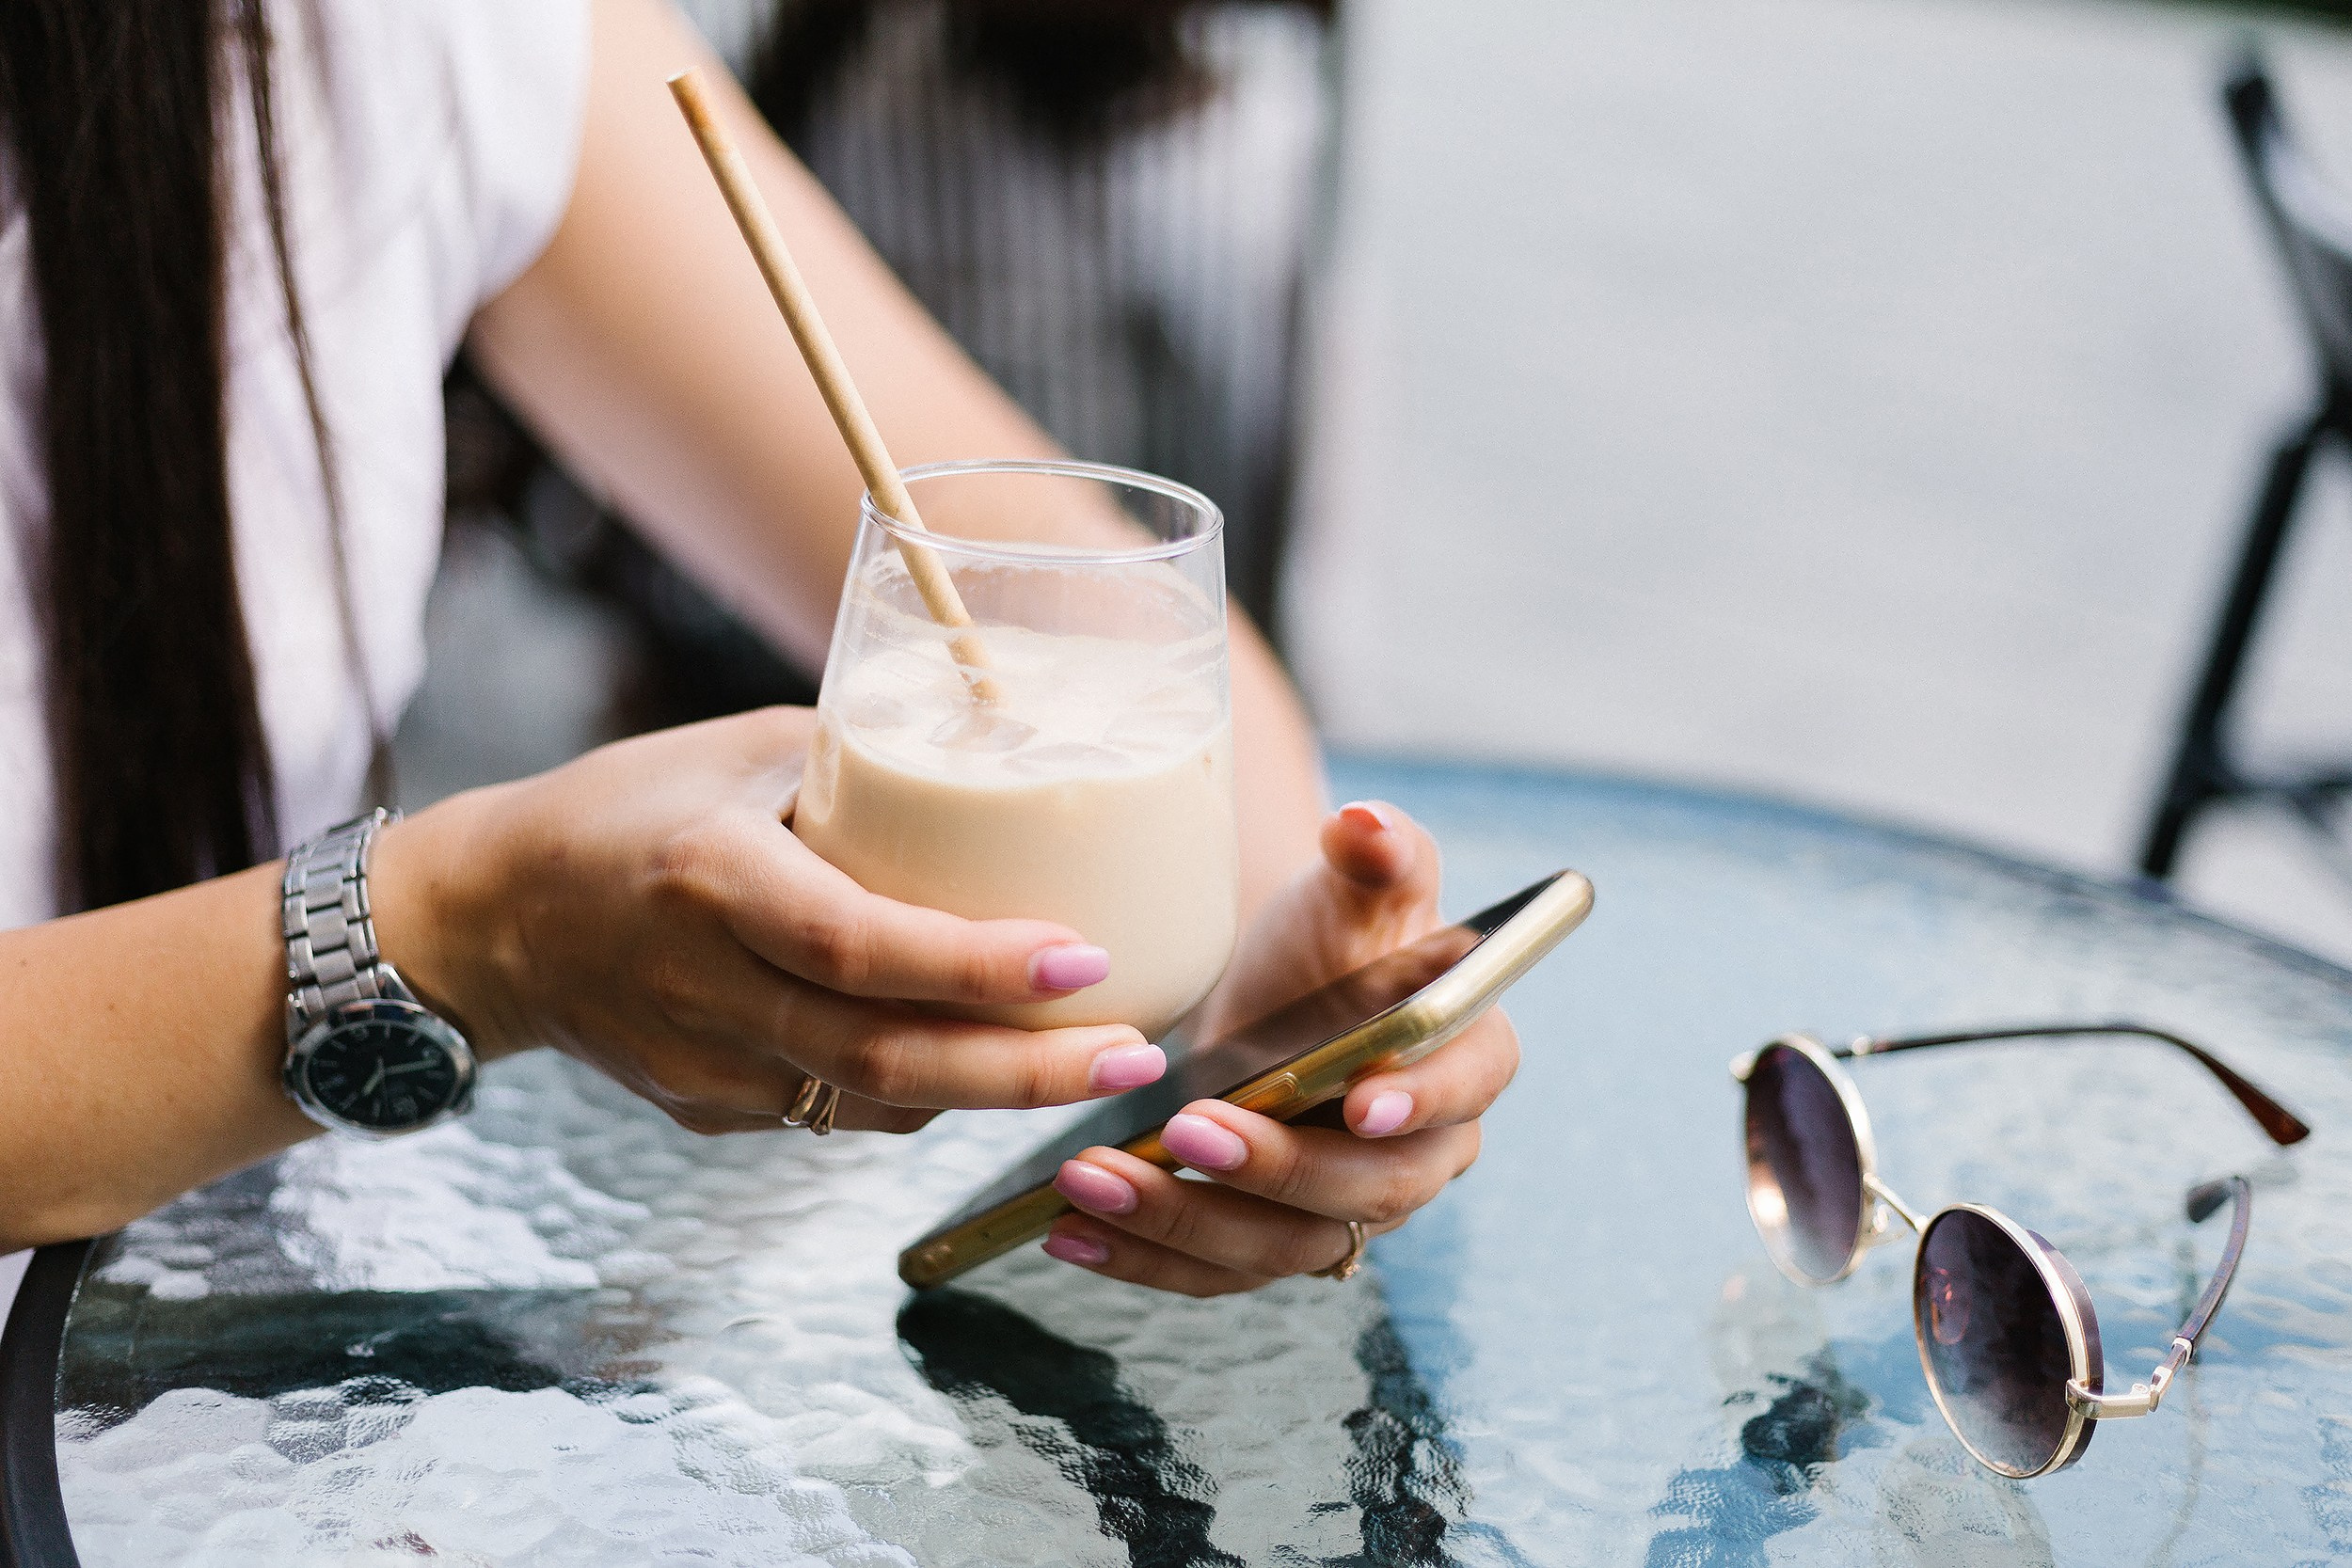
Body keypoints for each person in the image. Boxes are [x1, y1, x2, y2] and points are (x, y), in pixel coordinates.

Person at [0, 0, 1517, 1303]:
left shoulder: (394, 35)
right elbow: (476, 923)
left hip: (235, 1363)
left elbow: (1108, 607)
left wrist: (1266, 1015)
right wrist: (465, 930)